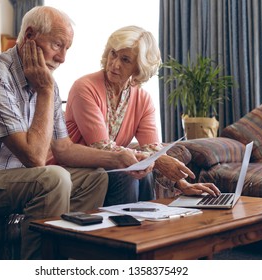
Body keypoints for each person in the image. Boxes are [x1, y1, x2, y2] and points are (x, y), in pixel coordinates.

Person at [0, 7, 148, 260]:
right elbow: (34, 158)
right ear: (30, 36)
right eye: (58, 45)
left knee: (96, 178)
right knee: (53, 178)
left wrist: (119, 159)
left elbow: (64, 149)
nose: (63, 58)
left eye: (67, 48)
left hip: (8, 177)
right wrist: (45, 91)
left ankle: (73, 257)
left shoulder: (48, 83)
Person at [65, 25, 221, 205]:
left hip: (109, 167)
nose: (115, 64)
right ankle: (127, 231)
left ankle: (150, 227)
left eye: (125, 60)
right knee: (130, 174)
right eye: (113, 54)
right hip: (76, 166)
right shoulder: (84, 87)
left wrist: (182, 183)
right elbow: (101, 146)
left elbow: (153, 150)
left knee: (142, 174)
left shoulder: (143, 99)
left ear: (139, 68)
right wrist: (155, 160)